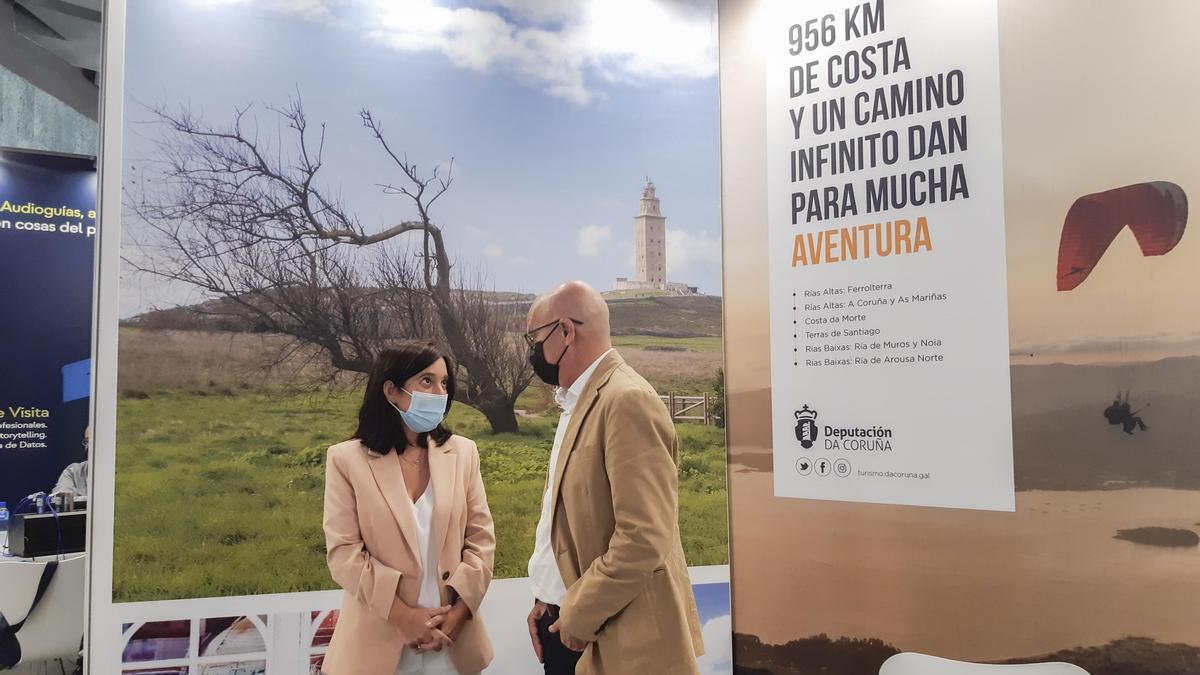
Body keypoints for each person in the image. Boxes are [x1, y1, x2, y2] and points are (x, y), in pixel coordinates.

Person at [523, 281, 704, 675]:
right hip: (568, 623)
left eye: (535, 338)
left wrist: (576, 615)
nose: (532, 350)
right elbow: (566, 518)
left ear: (566, 332)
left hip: (613, 637)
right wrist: (547, 597)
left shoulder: (626, 401)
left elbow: (643, 538)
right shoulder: (578, 400)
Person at [322, 343, 495, 675]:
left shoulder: (463, 453)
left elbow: (481, 539)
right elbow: (344, 554)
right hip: (376, 651)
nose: (439, 392)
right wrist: (403, 617)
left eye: (445, 384)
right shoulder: (346, 460)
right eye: (427, 381)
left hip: (452, 645)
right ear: (391, 390)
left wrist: (460, 612)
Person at [52, 426, 90, 498]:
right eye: (87, 441)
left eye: (95, 441)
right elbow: (61, 498)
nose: (88, 446)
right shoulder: (73, 472)